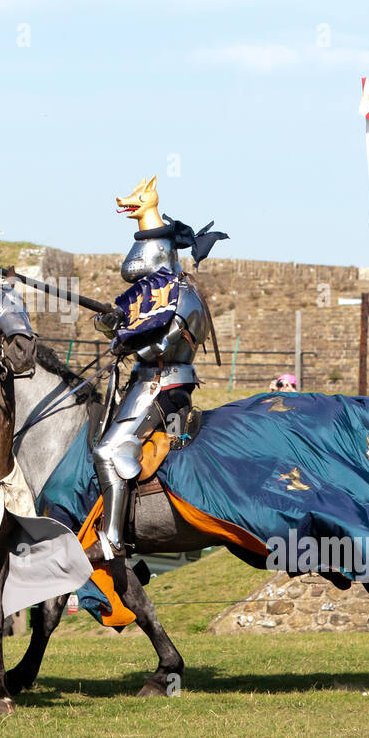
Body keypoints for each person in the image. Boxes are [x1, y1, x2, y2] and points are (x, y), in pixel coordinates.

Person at [90, 175, 227, 558]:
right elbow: (136, 325)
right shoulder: (157, 295)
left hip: (162, 384)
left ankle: (113, 540)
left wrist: (121, 338)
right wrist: (113, 323)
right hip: (147, 382)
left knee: (107, 452)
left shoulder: (182, 297)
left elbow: (158, 347)